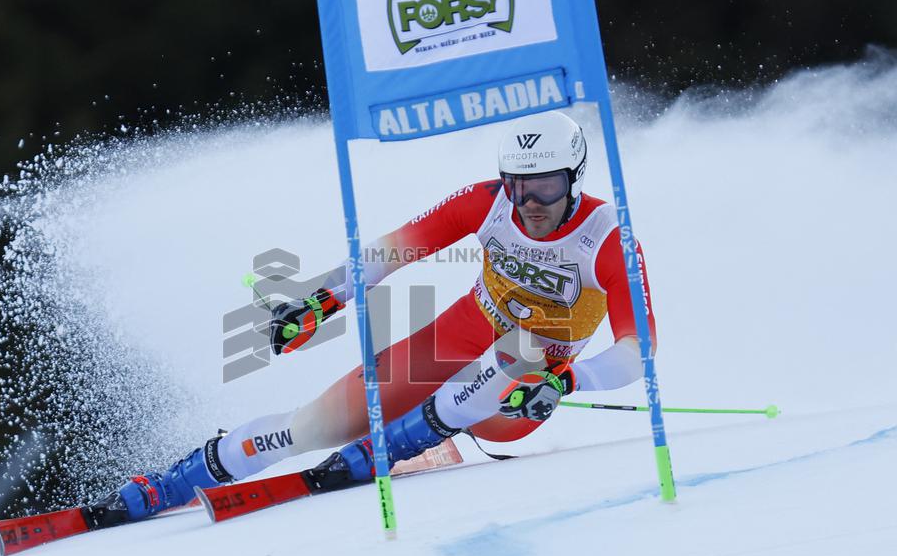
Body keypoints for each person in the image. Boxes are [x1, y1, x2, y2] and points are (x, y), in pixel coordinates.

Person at [90, 110, 658, 523]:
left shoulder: (607, 237)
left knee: (527, 349)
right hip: (455, 339)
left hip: (521, 393)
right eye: (518, 186)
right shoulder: (485, 201)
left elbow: (640, 350)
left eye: (546, 186)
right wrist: (322, 300)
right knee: (311, 425)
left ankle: (393, 447)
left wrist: (568, 380)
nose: (530, 202)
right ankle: (169, 484)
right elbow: (391, 251)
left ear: (574, 178)